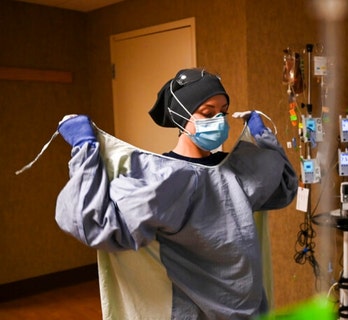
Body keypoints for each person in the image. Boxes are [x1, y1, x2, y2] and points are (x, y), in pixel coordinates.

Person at [55, 68, 298, 319]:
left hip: (247, 307)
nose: (219, 120)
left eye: (223, 112)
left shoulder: (236, 170)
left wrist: (263, 136)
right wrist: (85, 151)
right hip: (193, 310)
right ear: (181, 115)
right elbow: (95, 224)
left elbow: (284, 185)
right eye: (207, 113)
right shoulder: (162, 179)